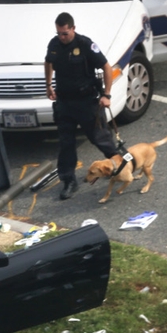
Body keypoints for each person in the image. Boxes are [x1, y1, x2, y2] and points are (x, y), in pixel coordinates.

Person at [45, 12, 119, 200]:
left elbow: (106, 67)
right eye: (59, 33)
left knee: (100, 138)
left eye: (65, 33)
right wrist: (48, 85)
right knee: (66, 143)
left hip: (86, 102)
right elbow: (48, 62)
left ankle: (120, 167)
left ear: (73, 29)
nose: (61, 37)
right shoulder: (54, 44)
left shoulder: (85, 45)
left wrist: (107, 94)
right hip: (64, 102)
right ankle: (68, 180)